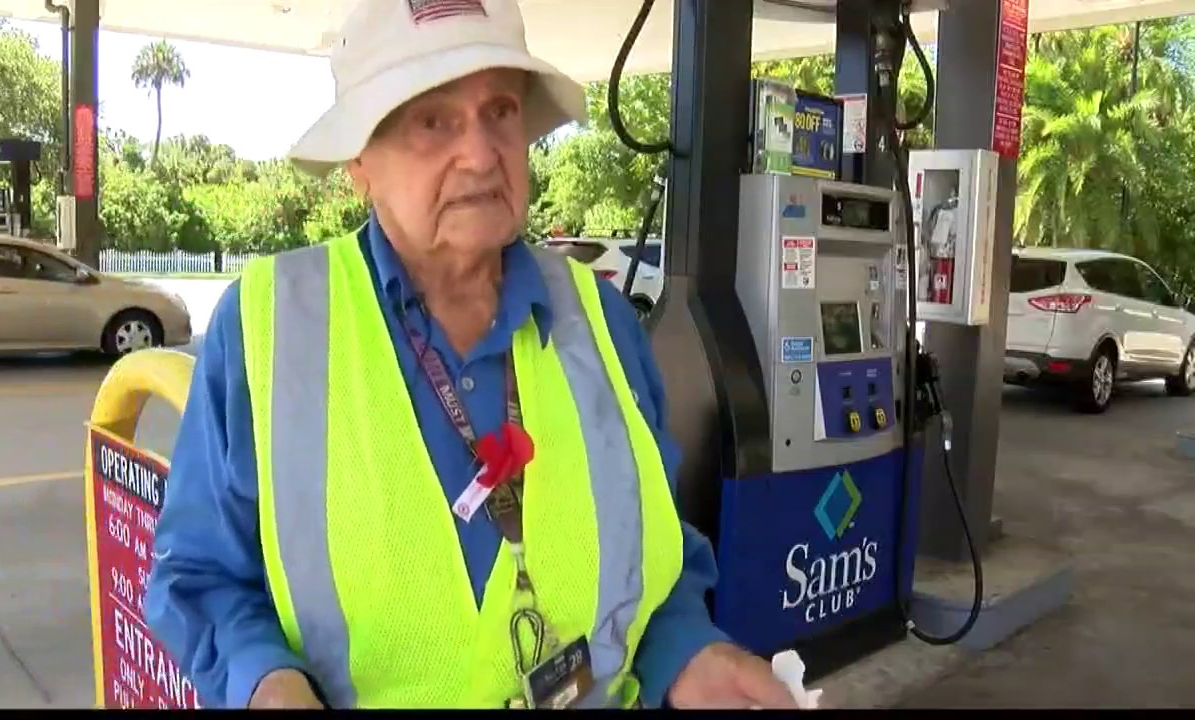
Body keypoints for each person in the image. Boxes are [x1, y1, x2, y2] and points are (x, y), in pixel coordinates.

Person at [144, 0, 802, 710]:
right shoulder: (268, 328)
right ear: (360, 161)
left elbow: (653, 556)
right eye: (434, 120)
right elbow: (202, 577)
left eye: (500, 111)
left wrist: (690, 653)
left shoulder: (603, 319)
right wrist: (269, 686)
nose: (482, 154)